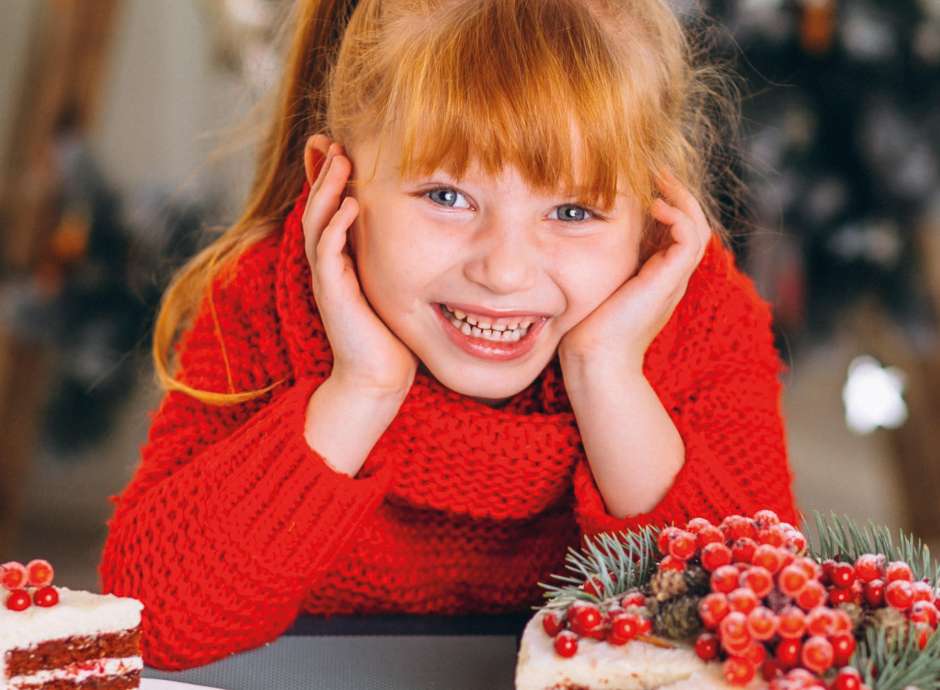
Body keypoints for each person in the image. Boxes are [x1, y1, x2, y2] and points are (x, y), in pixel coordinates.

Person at [99, 0, 800, 671]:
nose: (503, 271)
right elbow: (151, 620)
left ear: (650, 222)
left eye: (574, 210)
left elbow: (763, 638)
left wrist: (608, 375)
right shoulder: (264, 302)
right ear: (334, 188)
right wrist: (362, 388)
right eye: (447, 197)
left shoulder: (703, 319)